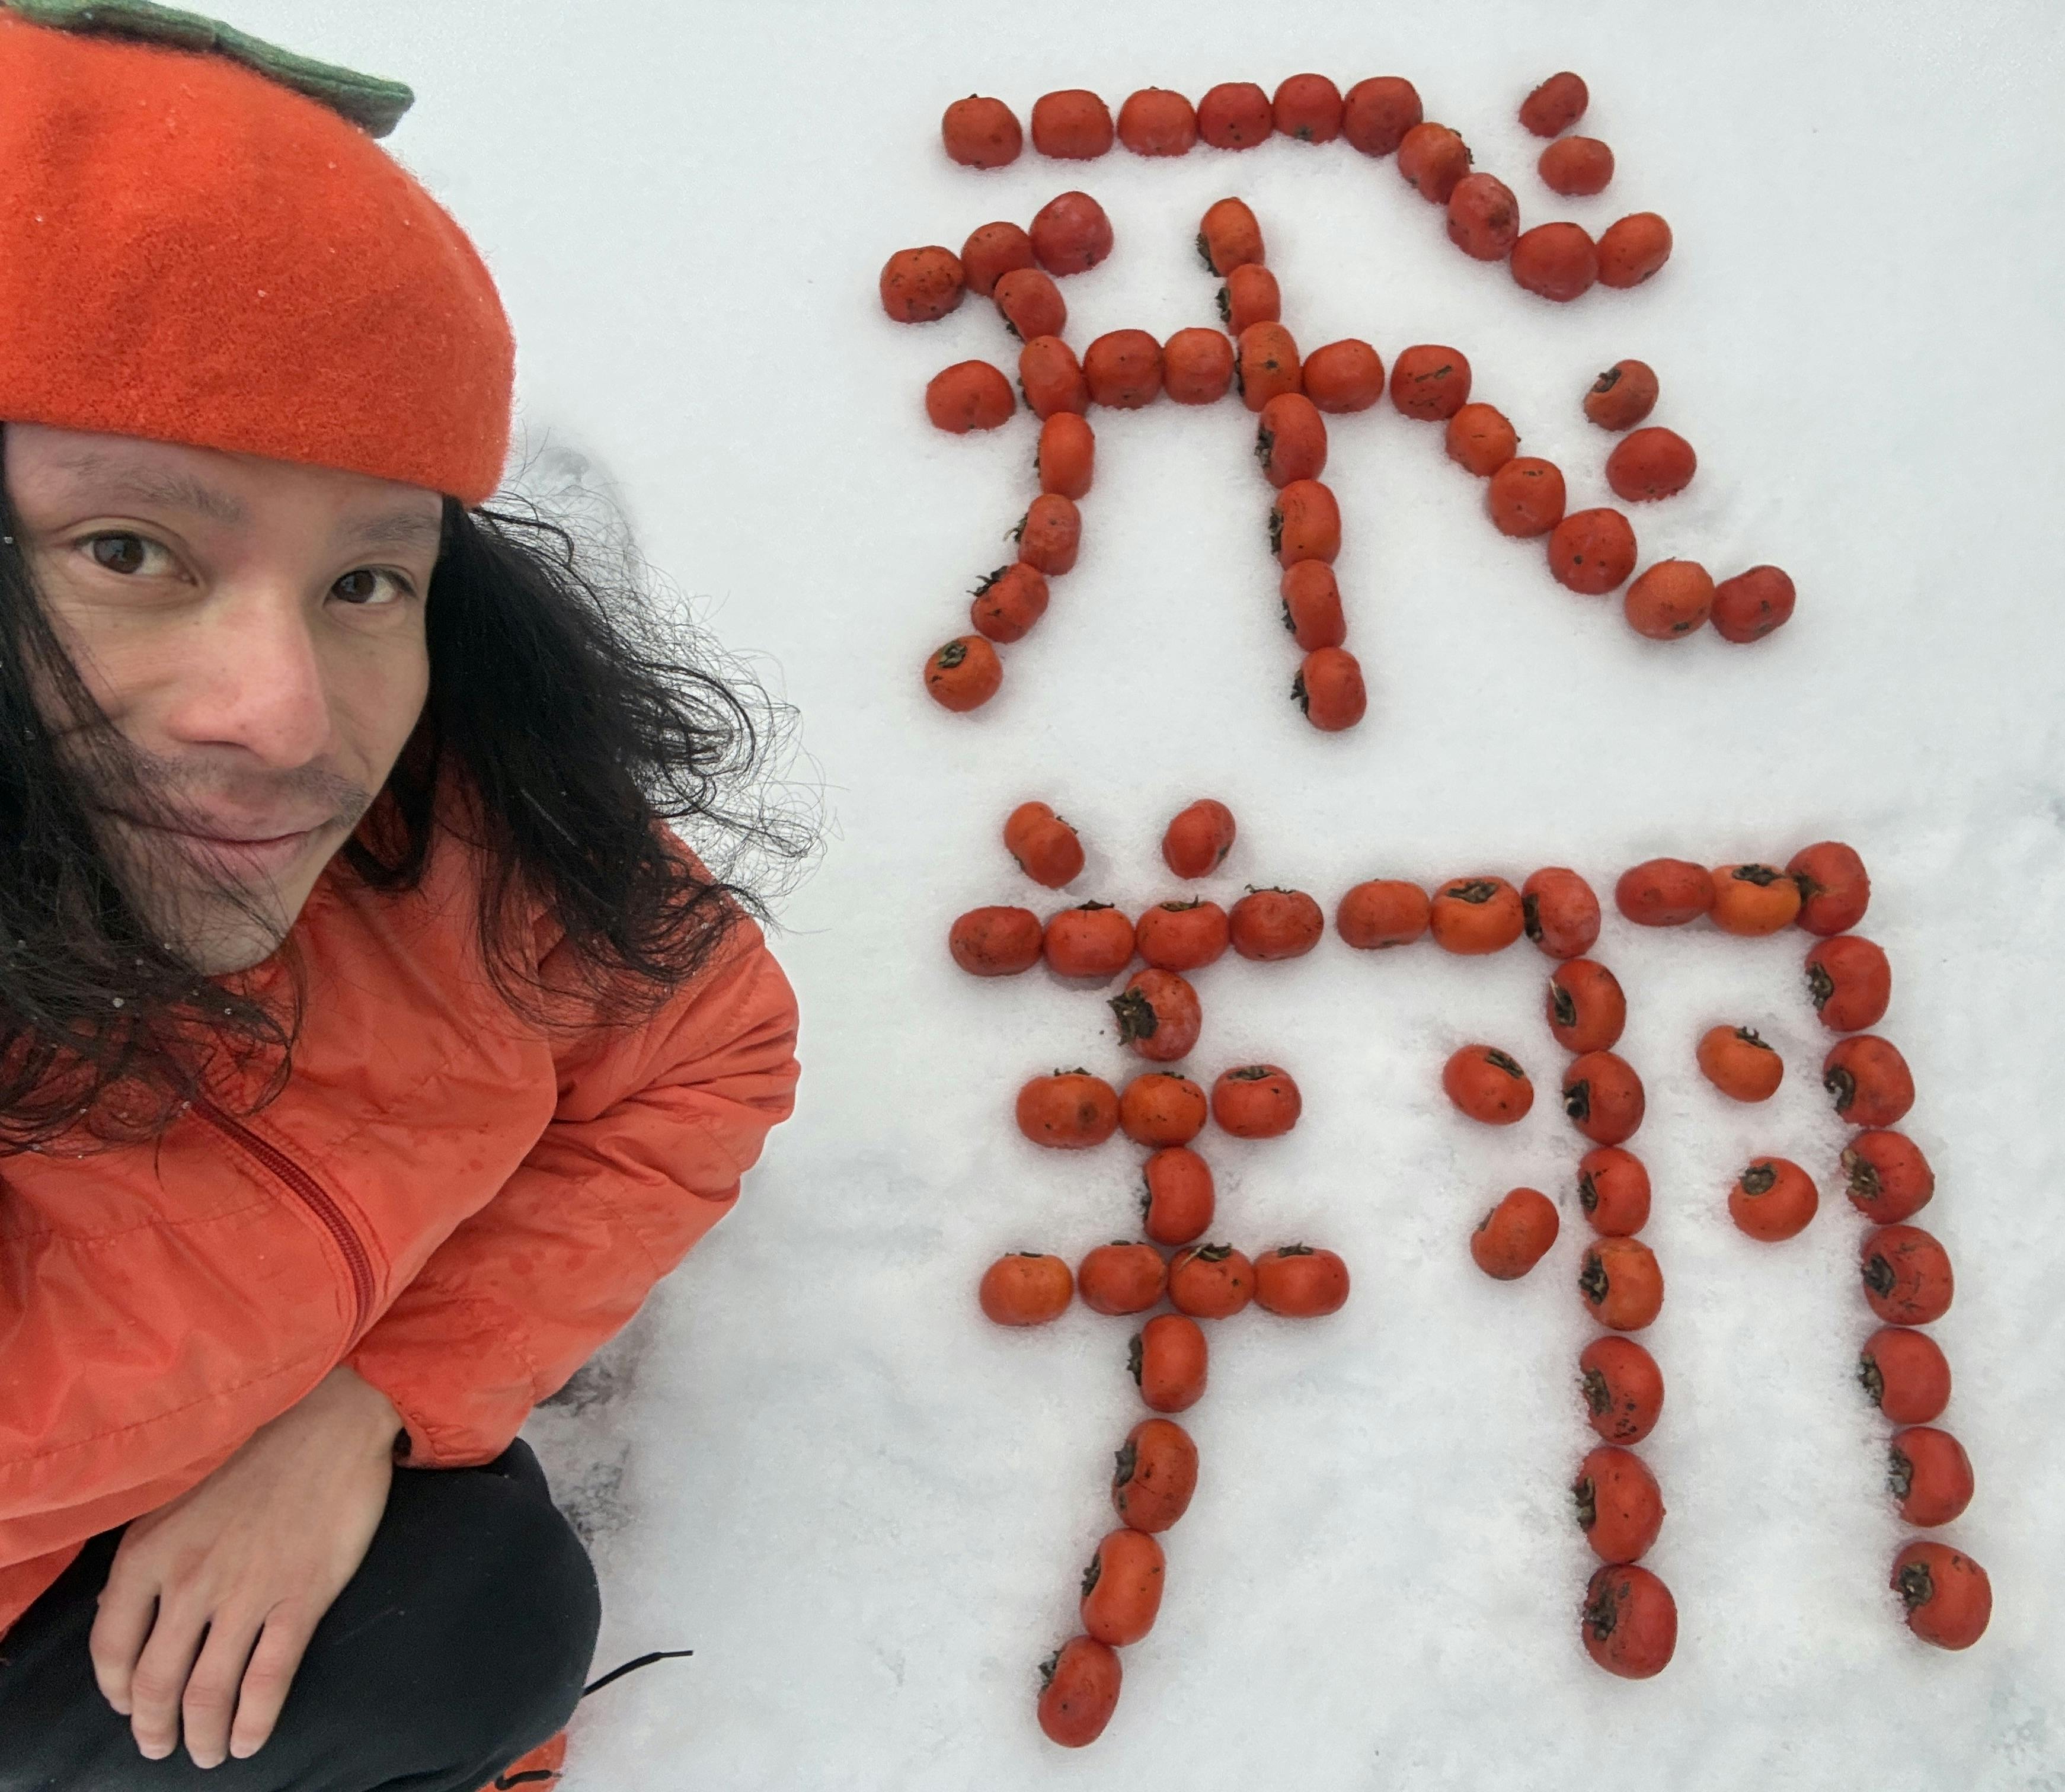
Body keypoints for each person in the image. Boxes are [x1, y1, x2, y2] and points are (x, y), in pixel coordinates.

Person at [0, 7, 805, 1788]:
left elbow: (707, 1053)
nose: (289, 721)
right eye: (128, 550)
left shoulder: (457, 848)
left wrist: (375, 1402)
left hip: (261, 1473)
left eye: (369, 578)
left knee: (473, 1623)